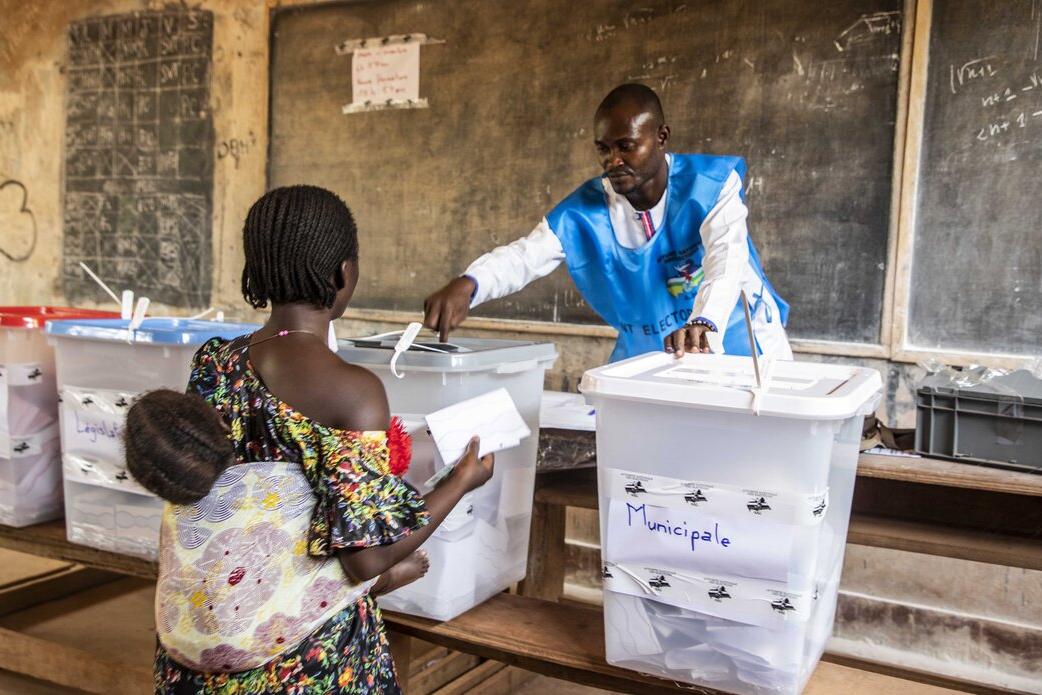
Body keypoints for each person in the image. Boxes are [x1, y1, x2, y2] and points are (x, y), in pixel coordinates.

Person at [125, 185, 493, 694]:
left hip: (203, 649)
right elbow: (365, 555)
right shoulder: (353, 392)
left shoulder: (213, 363)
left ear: (257, 270)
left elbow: (244, 513)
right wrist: (461, 483)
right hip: (302, 665)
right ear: (345, 274)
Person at [423, 83, 791, 362]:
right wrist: (470, 283)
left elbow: (726, 260)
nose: (613, 160)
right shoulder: (584, 211)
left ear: (661, 137)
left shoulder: (710, 184)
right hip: (655, 353)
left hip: (744, 343)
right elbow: (523, 257)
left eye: (626, 146)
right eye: (603, 148)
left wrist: (706, 322)